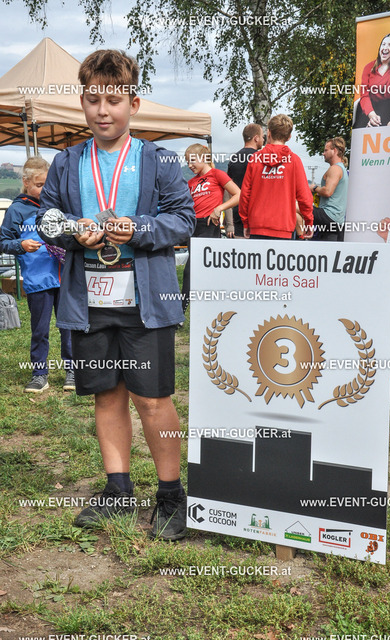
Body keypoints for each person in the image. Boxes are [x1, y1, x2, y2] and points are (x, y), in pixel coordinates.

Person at [36, 50, 196, 540]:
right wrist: (73, 232)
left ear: (134, 103)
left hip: (146, 300)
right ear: (82, 103)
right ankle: (118, 491)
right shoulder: (67, 161)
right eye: (93, 100)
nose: (102, 111)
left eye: (113, 100)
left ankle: (171, 495)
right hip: (89, 300)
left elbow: (184, 220)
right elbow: (47, 219)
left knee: (153, 400)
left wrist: (139, 228)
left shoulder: (158, 159)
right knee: (107, 396)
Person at [0, 157, 74, 393]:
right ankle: (40, 374)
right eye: (40, 185)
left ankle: (72, 371)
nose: (45, 190)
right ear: (26, 182)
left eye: (49, 185)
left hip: (65, 277)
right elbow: (3, 241)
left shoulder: (59, 207)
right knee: (40, 330)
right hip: (38, 280)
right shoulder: (17, 210)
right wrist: (21, 245)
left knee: (69, 327)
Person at [181, 144, 240, 312]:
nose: (189, 165)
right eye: (187, 162)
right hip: (193, 227)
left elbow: (239, 194)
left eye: (192, 161)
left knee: (193, 270)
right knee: (195, 270)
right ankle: (193, 309)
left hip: (209, 226)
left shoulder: (217, 174)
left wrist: (219, 208)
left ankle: (183, 311)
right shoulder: (191, 182)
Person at [238, 114, 313, 239]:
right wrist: (309, 222)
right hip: (283, 227)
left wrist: (245, 222)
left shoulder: (255, 159)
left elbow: (245, 194)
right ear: (289, 137)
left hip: (258, 225)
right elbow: (305, 197)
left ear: (268, 133)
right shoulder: (294, 161)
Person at [353, 33, 390, 129]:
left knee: (379, 124)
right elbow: (364, 95)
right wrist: (371, 114)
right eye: (383, 44)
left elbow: (389, 95)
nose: (385, 48)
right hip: (369, 108)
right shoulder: (368, 67)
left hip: (387, 107)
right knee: (360, 127)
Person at [227, 124, 263, 237]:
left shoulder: (234, 158)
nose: (263, 140)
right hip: (258, 213)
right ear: (256, 138)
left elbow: (228, 189)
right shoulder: (261, 158)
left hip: (238, 212)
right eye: (262, 137)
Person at [309, 137, 348, 241]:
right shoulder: (341, 168)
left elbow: (327, 192)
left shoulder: (335, 168)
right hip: (336, 219)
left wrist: (315, 188)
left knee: (295, 206)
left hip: (329, 215)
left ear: (334, 150)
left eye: (326, 150)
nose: (323, 153)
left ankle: (302, 236)